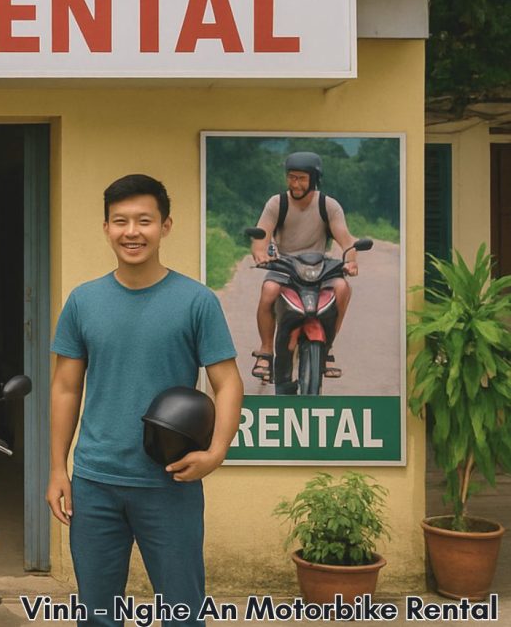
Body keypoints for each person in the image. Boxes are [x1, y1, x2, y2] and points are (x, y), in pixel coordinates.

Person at [47, 174, 243, 627]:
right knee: (97, 616)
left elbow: (228, 383)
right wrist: (58, 468)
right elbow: (65, 388)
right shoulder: (83, 302)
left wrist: (215, 452)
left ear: (165, 226)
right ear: (106, 227)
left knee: (182, 614)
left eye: (144, 221)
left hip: (170, 482)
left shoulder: (196, 301)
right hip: (95, 482)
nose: (131, 232)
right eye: (120, 221)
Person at [248, 152, 359, 382]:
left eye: (301, 178)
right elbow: (261, 236)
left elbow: (346, 240)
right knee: (269, 290)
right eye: (291, 177)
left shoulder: (328, 205)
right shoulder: (277, 203)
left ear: (314, 179)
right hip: (285, 265)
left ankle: (328, 346)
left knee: (342, 288)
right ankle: (266, 351)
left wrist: (350, 260)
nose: (295, 184)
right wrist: (260, 253)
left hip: (319, 267)